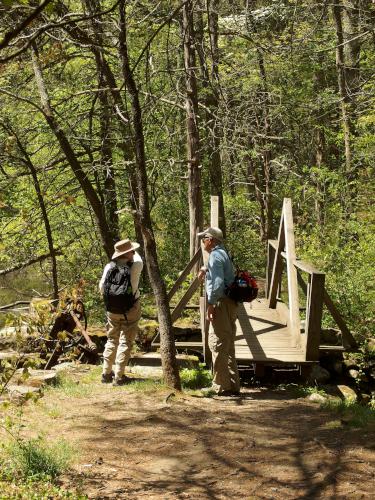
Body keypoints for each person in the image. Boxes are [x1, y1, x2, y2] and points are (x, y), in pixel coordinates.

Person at [198, 227, 240, 396]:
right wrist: (205, 268)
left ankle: (220, 386)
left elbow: (216, 284)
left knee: (218, 343)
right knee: (228, 344)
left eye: (204, 239)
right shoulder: (223, 253)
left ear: (211, 240)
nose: (202, 242)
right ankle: (232, 384)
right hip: (230, 304)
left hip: (221, 304)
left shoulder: (215, 256)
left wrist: (210, 304)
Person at [99, 238, 143, 386]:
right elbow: (138, 257)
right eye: (131, 250)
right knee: (126, 341)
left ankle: (106, 373)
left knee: (112, 339)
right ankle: (119, 376)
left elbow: (101, 287)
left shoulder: (109, 267)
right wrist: (132, 251)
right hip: (131, 308)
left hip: (111, 310)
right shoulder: (136, 266)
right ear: (129, 252)